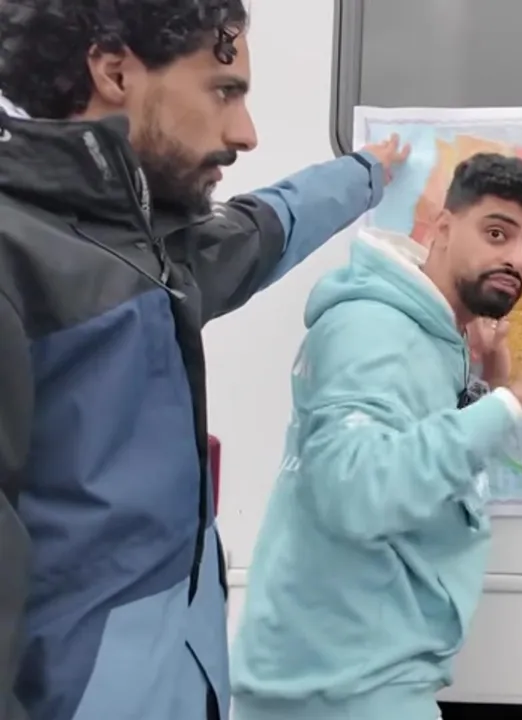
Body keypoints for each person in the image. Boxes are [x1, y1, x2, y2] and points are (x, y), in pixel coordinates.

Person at [0, 2, 410, 719]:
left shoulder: (145, 247)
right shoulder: (18, 258)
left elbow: (262, 230)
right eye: (224, 91)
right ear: (115, 72)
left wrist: (365, 174)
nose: (245, 133)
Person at [229, 152, 522, 720]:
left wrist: (491, 383)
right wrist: (521, 394)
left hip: (362, 676)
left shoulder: (436, 336)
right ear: (443, 228)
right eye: (496, 233)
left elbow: (431, 462)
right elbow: (356, 491)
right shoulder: (373, 329)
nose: (516, 259)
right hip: (337, 689)